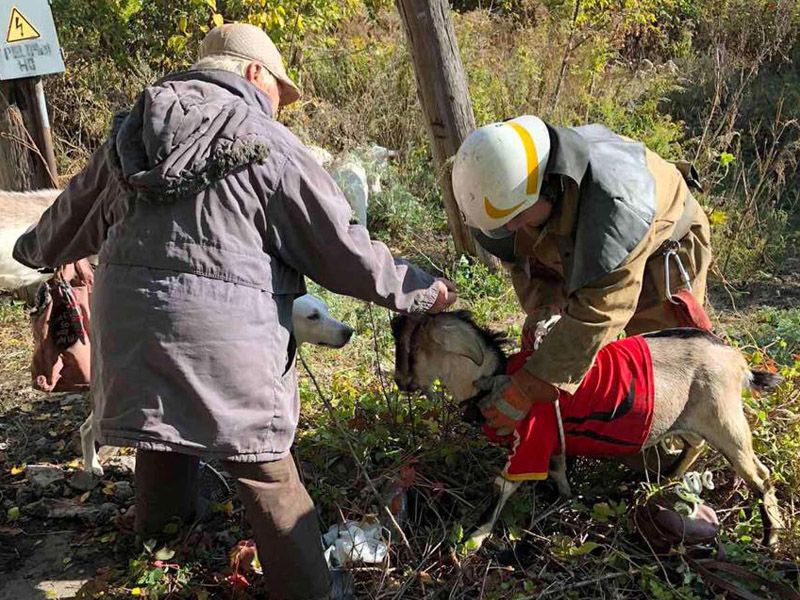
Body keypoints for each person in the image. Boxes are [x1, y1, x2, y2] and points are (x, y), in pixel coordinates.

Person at [14, 23, 456, 600]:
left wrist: (33, 250)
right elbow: (342, 249)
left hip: (128, 329)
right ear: (252, 73)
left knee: (161, 426)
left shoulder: (132, 130)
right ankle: (312, 590)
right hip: (222, 338)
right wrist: (420, 290)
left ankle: (162, 535)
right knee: (263, 464)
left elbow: (71, 213)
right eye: (278, 92)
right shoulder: (265, 140)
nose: (278, 106)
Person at [451, 115, 710, 436]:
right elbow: (526, 263)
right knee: (563, 350)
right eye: (503, 223)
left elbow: (599, 312)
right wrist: (546, 311)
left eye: (516, 217)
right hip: (589, 237)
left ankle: (679, 447)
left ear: (547, 186)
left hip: (663, 250)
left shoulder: (616, 206)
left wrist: (528, 387)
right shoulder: (512, 193)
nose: (511, 227)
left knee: (659, 377)